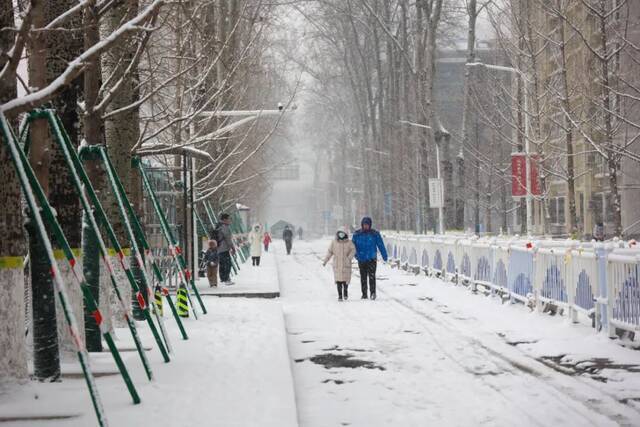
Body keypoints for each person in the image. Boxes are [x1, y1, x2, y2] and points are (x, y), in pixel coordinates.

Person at [352, 217, 388, 300]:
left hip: (371, 258)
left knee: (372, 276)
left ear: (370, 225)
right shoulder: (357, 234)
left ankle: (373, 293)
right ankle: (364, 294)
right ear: (362, 225)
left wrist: (384, 255)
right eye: (364, 225)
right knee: (363, 277)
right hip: (361, 258)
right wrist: (355, 255)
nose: (366, 226)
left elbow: (380, 245)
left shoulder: (374, 234)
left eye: (367, 225)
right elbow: (352, 246)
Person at [322, 230, 356, 301]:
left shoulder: (349, 243)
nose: (341, 235)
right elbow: (329, 252)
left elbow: (353, 250)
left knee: (345, 280)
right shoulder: (334, 242)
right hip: (337, 264)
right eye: (340, 233)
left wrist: (349, 258)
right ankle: (340, 295)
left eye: (343, 233)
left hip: (346, 264)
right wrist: (325, 261)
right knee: (338, 281)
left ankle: (345, 292)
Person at [215, 213, 236, 285]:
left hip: (219, 248)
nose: (230, 220)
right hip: (223, 248)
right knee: (227, 264)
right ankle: (226, 279)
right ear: (225, 219)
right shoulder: (224, 227)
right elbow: (228, 239)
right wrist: (232, 248)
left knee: (222, 264)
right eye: (229, 219)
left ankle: (223, 278)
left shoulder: (218, 226)